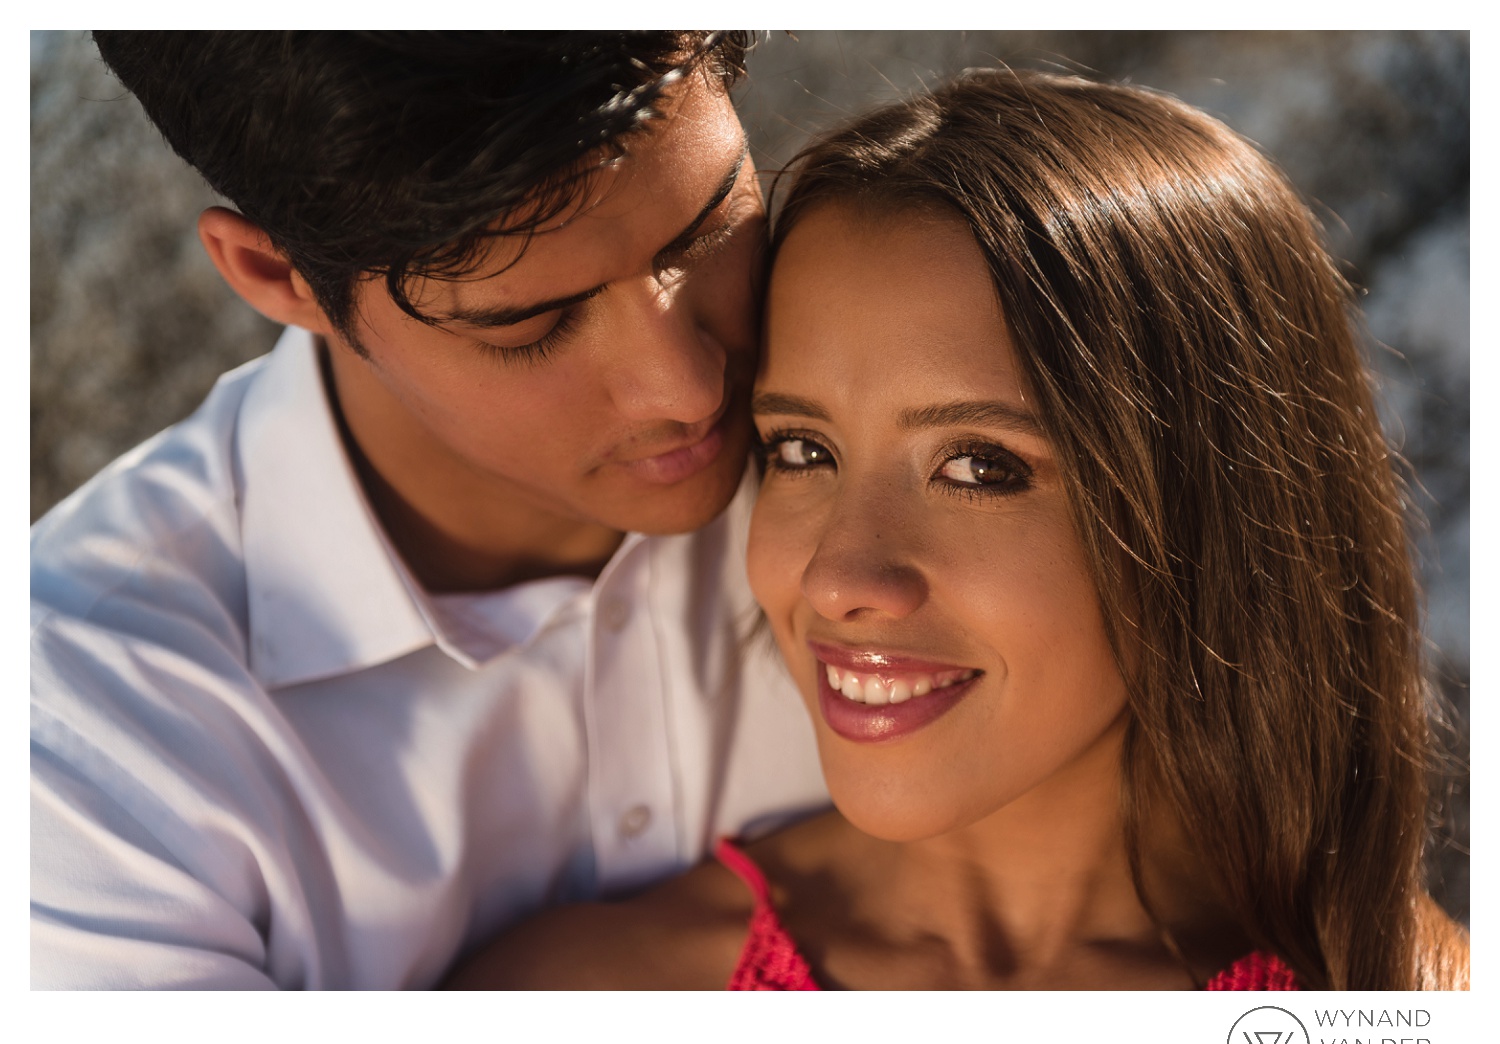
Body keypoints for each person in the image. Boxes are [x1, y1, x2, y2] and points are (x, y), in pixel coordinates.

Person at [448, 69, 1471, 990]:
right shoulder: (588, 1004)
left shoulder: (1409, 1018)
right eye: (802, 450)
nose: (843, 576)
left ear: (1217, 507)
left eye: (980, 466)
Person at [30, 31, 827, 989]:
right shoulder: (74, 741)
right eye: (528, 322)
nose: (689, 388)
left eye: (706, 229)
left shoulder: (949, 434)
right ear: (278, 279)